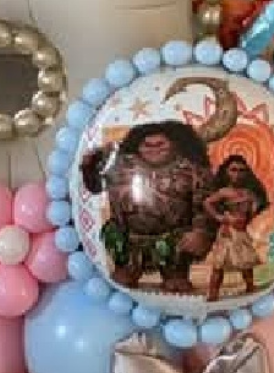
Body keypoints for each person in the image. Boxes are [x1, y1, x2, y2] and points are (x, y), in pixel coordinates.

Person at [79, 121, 215, 293]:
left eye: (160, 144)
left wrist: (200, 232)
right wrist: (89, 168)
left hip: (172, 241)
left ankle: (175, 274)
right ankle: (128, 269)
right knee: (121, 272)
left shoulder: (193, 170)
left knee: (176, 284)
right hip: (128, 239)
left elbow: (205, 204)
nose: (154, 149)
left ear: (175, 145)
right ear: (137, 146)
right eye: (147, 145)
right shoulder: (120, 165)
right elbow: (95, 188)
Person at [202, 155, 270, 301]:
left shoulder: (249, 193)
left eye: (241, 170)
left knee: (246, 261)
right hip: (227, 231)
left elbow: (254, 210)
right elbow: (207, 203)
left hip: (241, 232)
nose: (237, 174)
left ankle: (250, 287)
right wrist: (220, 217)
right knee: (219, 263)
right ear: (226, 172)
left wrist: (247, 217)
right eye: (233, 170)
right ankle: (213, 293)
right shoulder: (224, 192)